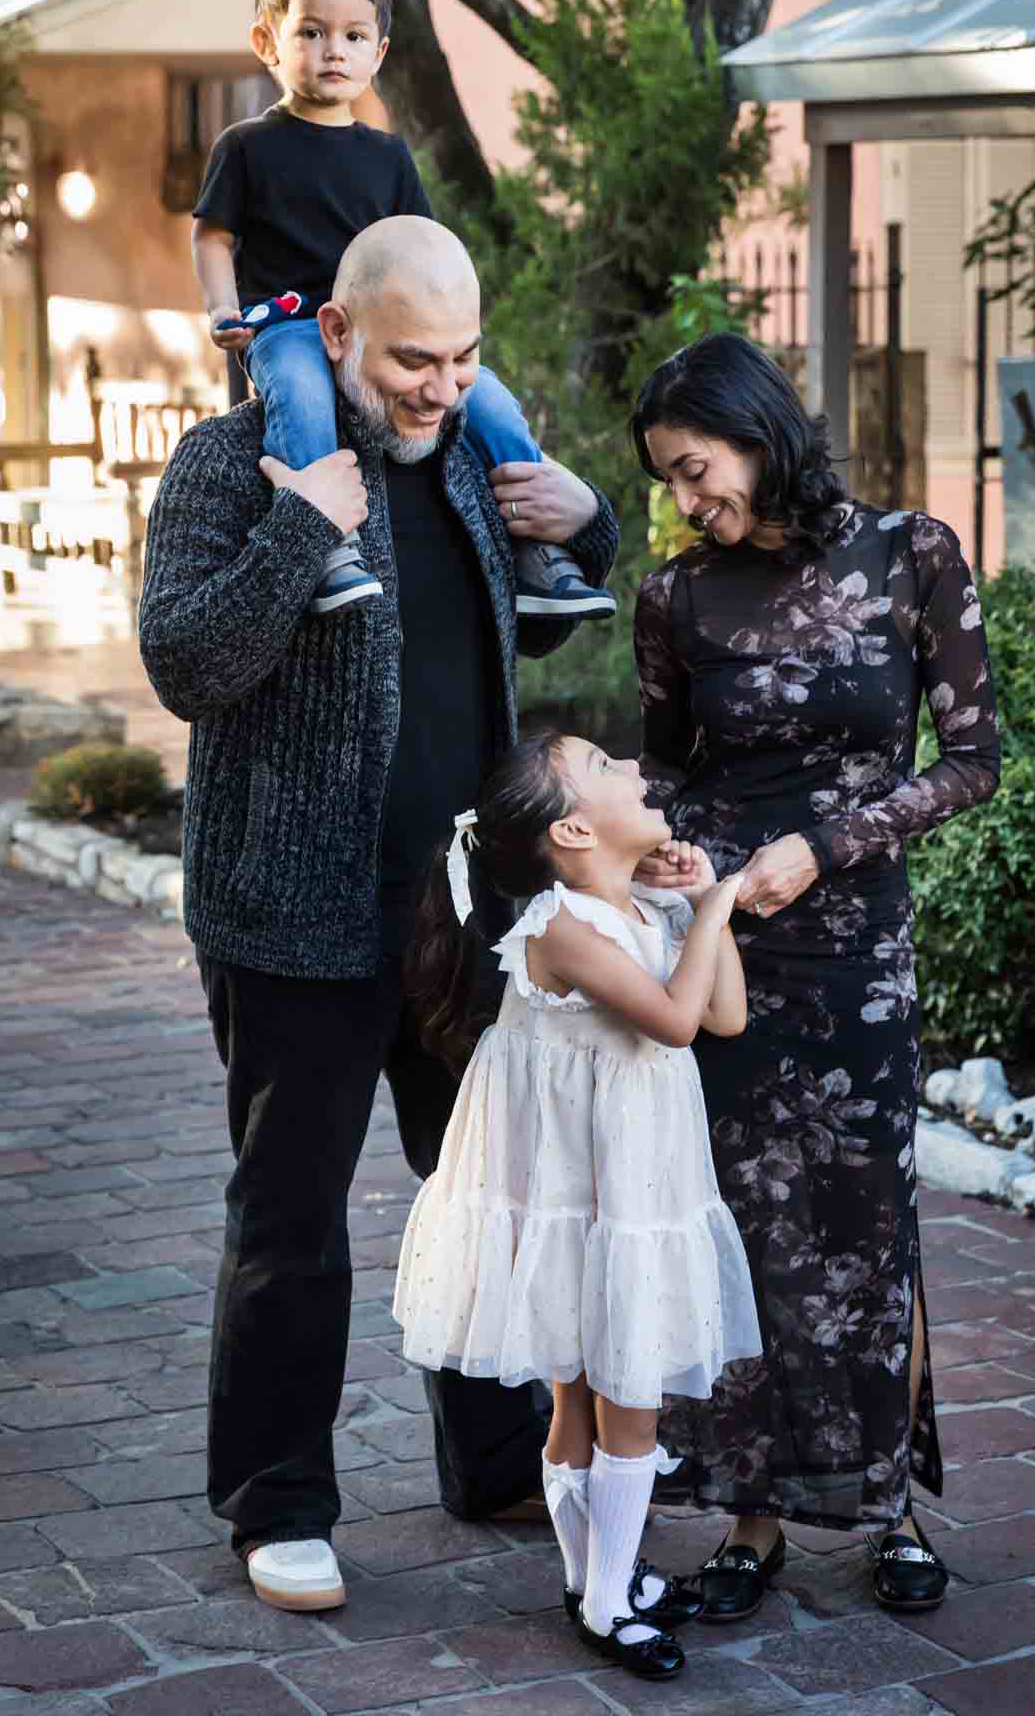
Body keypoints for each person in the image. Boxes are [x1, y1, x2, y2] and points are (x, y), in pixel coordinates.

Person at [138, 216, 619, 1613]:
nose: (443, 387)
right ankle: (276, 1503)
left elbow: (514, 629)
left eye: (466, 359)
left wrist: (586, 520)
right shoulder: (231, 463)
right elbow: (186, 660)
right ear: (335, 333)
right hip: (291, 905)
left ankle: (491, 1458)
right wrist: (303, 527)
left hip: (458, 908)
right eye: (417, 359)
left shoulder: (470, 454)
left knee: (481, 1193)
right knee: (291, 1214)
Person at [629, 333, 1001, 1620]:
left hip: (854, 954)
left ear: (754, 429)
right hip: (724, 954)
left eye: (696, 466)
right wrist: (680, 858)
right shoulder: (676, 597)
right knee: (733, 1227)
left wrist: (826, 845)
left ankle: (885, 1506)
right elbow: (666, 770)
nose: (687, 497)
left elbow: (972, 758)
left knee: (863, 1228)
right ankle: (750, 1519)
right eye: (671, 480)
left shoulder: (912, 554)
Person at [394, 728, 763, 1681]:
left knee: (602, 1387)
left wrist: (694, 903)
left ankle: (600, 1579)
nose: (636, 770)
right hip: (578, 1188)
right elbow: (678, 1023)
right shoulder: (561, 926)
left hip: (627, 1179)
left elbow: (725, 1015)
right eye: (607, 768)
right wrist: (718, 904)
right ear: (570, 830)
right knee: (604, 1392)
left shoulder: (637, 907)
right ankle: (604, 1599)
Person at [191, 0, 613, 623]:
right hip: (290, 326)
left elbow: (424, 250)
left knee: (496, 404)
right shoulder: (245, 147)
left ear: (378, 53)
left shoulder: (388, 157)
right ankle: (329, 547)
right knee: (298, 392)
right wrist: (221, 311)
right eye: (312, 32)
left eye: (354, 36)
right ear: (267, 42)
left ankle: (540, 553)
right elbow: (212, 236)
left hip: (381, 335)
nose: (335, 51)